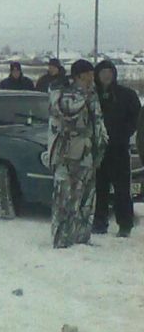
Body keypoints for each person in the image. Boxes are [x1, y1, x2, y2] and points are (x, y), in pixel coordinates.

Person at [48, 59, 107, 248]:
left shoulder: (92, 94)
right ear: (80, 75)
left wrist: (101, 146)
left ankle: (82, 237)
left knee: (86, 198)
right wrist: (84, 94)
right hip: (67, 154)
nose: (93, 76)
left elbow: (98, 123)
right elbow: (65, 112)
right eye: (89, 73)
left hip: (88, 155)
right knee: (65, 198)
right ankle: (62, 239)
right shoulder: (64, 94)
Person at [92, 60, 141, 237]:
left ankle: (125, 224)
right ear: (97, 75)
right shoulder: (92, 95)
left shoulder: (126, 95)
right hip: (97, 148)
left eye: (109, 72)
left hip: (119, 149)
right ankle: (99, 222)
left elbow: (136, 117)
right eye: (103, 72)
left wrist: (123, 133)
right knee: (99, 187)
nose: (106, 76)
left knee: (121, 189)